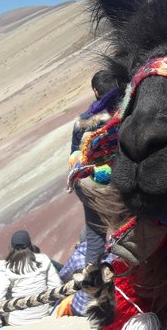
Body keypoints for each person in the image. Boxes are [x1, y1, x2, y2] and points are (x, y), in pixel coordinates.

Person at [67, 70, 120, 316]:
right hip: (125, 181)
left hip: (98, 188)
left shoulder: (83, 121)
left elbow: (75, 157)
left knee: (95, 237)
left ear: (96, 92)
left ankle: (101, 300)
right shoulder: (126, 112)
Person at [0, 230, 61, 326]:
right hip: (42, 315)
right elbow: (56, 286)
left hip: (17, 321)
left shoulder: (7, 268)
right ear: (30, 244)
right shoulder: (43, 259)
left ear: (11, 247)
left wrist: (6, 312)